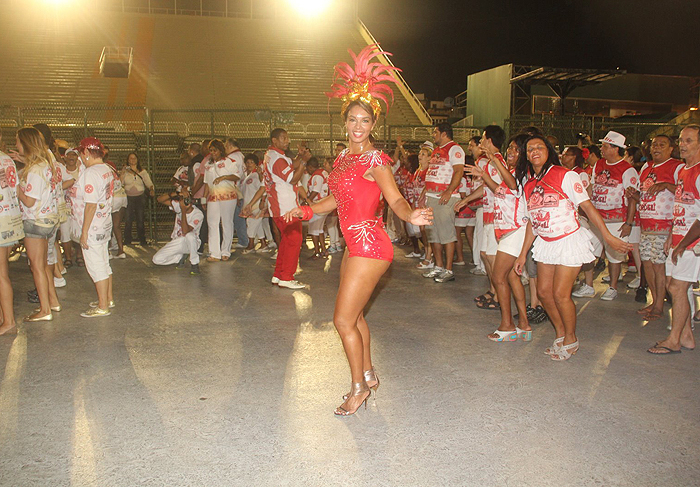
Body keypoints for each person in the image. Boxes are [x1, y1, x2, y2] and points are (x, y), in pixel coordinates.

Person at [285, 44, 432, 415]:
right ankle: (367, 374)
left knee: (341, 319)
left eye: (364, 121)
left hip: (371, 244)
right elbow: (335, 202)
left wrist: (410, 214)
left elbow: (395, 199)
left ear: (373, 125)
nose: (357, 126)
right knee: (357, 316)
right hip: (354, 245)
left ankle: (357, 389)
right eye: (352, 119)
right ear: (345, 122)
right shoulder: (343, 158)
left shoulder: (374, 159)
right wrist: (302, 210)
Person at [514, 135, 631, 360]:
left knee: (560, 294)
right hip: (546, 243)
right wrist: (521, 255)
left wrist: (607, 236)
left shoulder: (565, 175)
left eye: (539, 147)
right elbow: (532, 221)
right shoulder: (529, 184)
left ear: (549, 151)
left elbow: (587, 206)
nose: (534, 151)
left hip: (568, 241)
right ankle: (560, 334)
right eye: (530, 149)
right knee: (544, 293)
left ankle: (571, 338)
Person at [461, 133, 530, 339]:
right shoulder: (510, 170)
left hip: (515, 229)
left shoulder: (522, 171)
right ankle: (524, 324)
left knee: (499, 277)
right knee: (511, 277)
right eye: (510, 147)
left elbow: (511, 185)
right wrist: (484, 175)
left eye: (517, 149)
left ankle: (507, 325)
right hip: (506, 229)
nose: (511, 152)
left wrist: (494, 160)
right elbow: (498, 189)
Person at [649, 125, 700, 354]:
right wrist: (672, 235)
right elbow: (680, 206)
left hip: (693, 243)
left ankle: (674, 340)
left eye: (688, 140)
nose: (682, 144)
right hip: (679, 238)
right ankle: (687, 335)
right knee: (675, 286)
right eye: (681, 140)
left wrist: (683, 242)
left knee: (678, 288)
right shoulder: (682, 171)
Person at [243, 129, 308, 289]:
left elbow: (291, 165)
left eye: (287, 138)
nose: (287, 141)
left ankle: (279, 275)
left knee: (286, 241)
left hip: (278, 207)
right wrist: (304, 163)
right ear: (274, 140)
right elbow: (293, 179)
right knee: (294, 240)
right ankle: (287, 277)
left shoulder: (271, 156)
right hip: (286, 207)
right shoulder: (277, 159)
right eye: (283, 138)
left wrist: (299, 157)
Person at [13, 127, 61, 322]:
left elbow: (30, 201)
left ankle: (44, 309)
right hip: (48, 219)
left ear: (26, 143)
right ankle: (53, 302)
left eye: (17, 141)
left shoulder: (34, 170)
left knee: (37, 267)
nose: (16, 144)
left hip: (35, 221)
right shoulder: (45, 164)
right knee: (43, 265)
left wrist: (16, 187)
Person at [634, 135, 682, 321]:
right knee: (647, 265)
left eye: (662, 145)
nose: (656, 148)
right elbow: (646, 193)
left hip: (664, 225)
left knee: (658, 265)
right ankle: (654, 300)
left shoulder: (676, 166)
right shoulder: (647, 167)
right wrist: (635, 195)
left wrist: (666, 185)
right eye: (654, 145)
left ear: (671, 148)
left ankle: (660, 306)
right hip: (646, 225)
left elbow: (683, 191)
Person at [590, 131, 639, 301]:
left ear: (614, 148)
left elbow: (632, 198)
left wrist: (628, 223)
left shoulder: (627, 170)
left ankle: (613, 287)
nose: (601, 149)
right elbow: (592, 186)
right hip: (597, 217)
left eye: (604, 146)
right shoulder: (599, 164)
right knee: (589, 250)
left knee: (615, 256)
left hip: (616, 219)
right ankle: (588, 285)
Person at [72, 138, 115, 317]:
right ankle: (107, 298)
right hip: (104, 224)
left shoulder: (91, 173)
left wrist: (84, 232)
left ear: (87, 153)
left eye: (81, 153)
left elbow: (90, 205)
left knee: (96, 266)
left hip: (93, 227)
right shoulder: (106, 169)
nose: (81, 157)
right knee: (104, 263)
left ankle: (102, 306)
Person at [420, 122, 465, 283]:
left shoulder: (455, 149)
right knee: (434, 234)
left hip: (445, 197)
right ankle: (438, 267)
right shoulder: (437, 150)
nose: (433, 135)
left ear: (444, 134)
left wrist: (448, 191)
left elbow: (459, 171)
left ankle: (448, 269)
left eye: (435, 132)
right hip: (432, 196)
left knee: (446, 234)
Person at [0, 136, 25, 334]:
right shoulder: (7, 159)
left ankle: (8, 321)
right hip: (10, 217)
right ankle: (4, 316)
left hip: (1, 221)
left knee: (1, 273)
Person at [202, 139, 242, 262]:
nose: (213, 153)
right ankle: (214, 253)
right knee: (212, 223)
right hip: (213, 197)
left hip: (228, 196)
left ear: (221, 150)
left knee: (227, 222)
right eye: (211, 150)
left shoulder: (229, 162)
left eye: (215, 150)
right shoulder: (208, 165)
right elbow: (206, 184)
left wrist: (224, 177)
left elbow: (237, 176)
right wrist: (204, 198)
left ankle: (226, 251)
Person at [153, 189, 204, 274]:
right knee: (157, 260)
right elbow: (159, 199)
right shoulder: (179, 206)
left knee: (189, 235)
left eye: (187, 199)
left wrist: (183, 211)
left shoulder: (198, 214)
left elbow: (185, 231)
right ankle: (179, 257)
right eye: (182, 199)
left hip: (191, 242)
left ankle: (194, 264)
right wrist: (175, 193)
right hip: (177, 241)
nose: (185, 202)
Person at [121, 152, 154, 246]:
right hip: (128, 197)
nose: (132, 160)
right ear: (128, 160)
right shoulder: (126, 172)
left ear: (137, 159)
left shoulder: (142, 172)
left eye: (134, 158)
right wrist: (123, 172)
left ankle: (142, 240)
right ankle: (127, 240)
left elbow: (149, 182)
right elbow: (120, 182)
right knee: (128, 219)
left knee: (140, 219)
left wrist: (151, 189)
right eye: (130, 158)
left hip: (140, 197)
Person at [240, 154, 269, 253]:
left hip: (257, 204)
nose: (249, 164)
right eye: (247, 162)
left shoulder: (258, 175)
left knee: (251, 223)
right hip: (249, 204)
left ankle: (251, 244)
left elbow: (263, 189)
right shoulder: (247, 175)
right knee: (257, 224)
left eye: (252, 162)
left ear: (256, 164)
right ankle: (263, 243)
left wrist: (262, 201)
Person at [225, 137, 249, 250]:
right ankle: (243, 239)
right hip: (240, 189)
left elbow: (234, 177)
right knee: (238, 217)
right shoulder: (241, 155)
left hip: (235, 190)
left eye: (226, 145)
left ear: (230, 145)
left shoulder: (232, 157)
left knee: (236, 217)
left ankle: (243, 240)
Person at [305, 156, 330, 258]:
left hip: (318, 204)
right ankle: (324, 250)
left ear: (310, 167)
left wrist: (307, 201)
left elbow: (315, 191)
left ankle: (317, 251)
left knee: (313, 230)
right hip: (324, 204)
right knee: (319, 229)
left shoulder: (317, 176)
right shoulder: (323, 172)